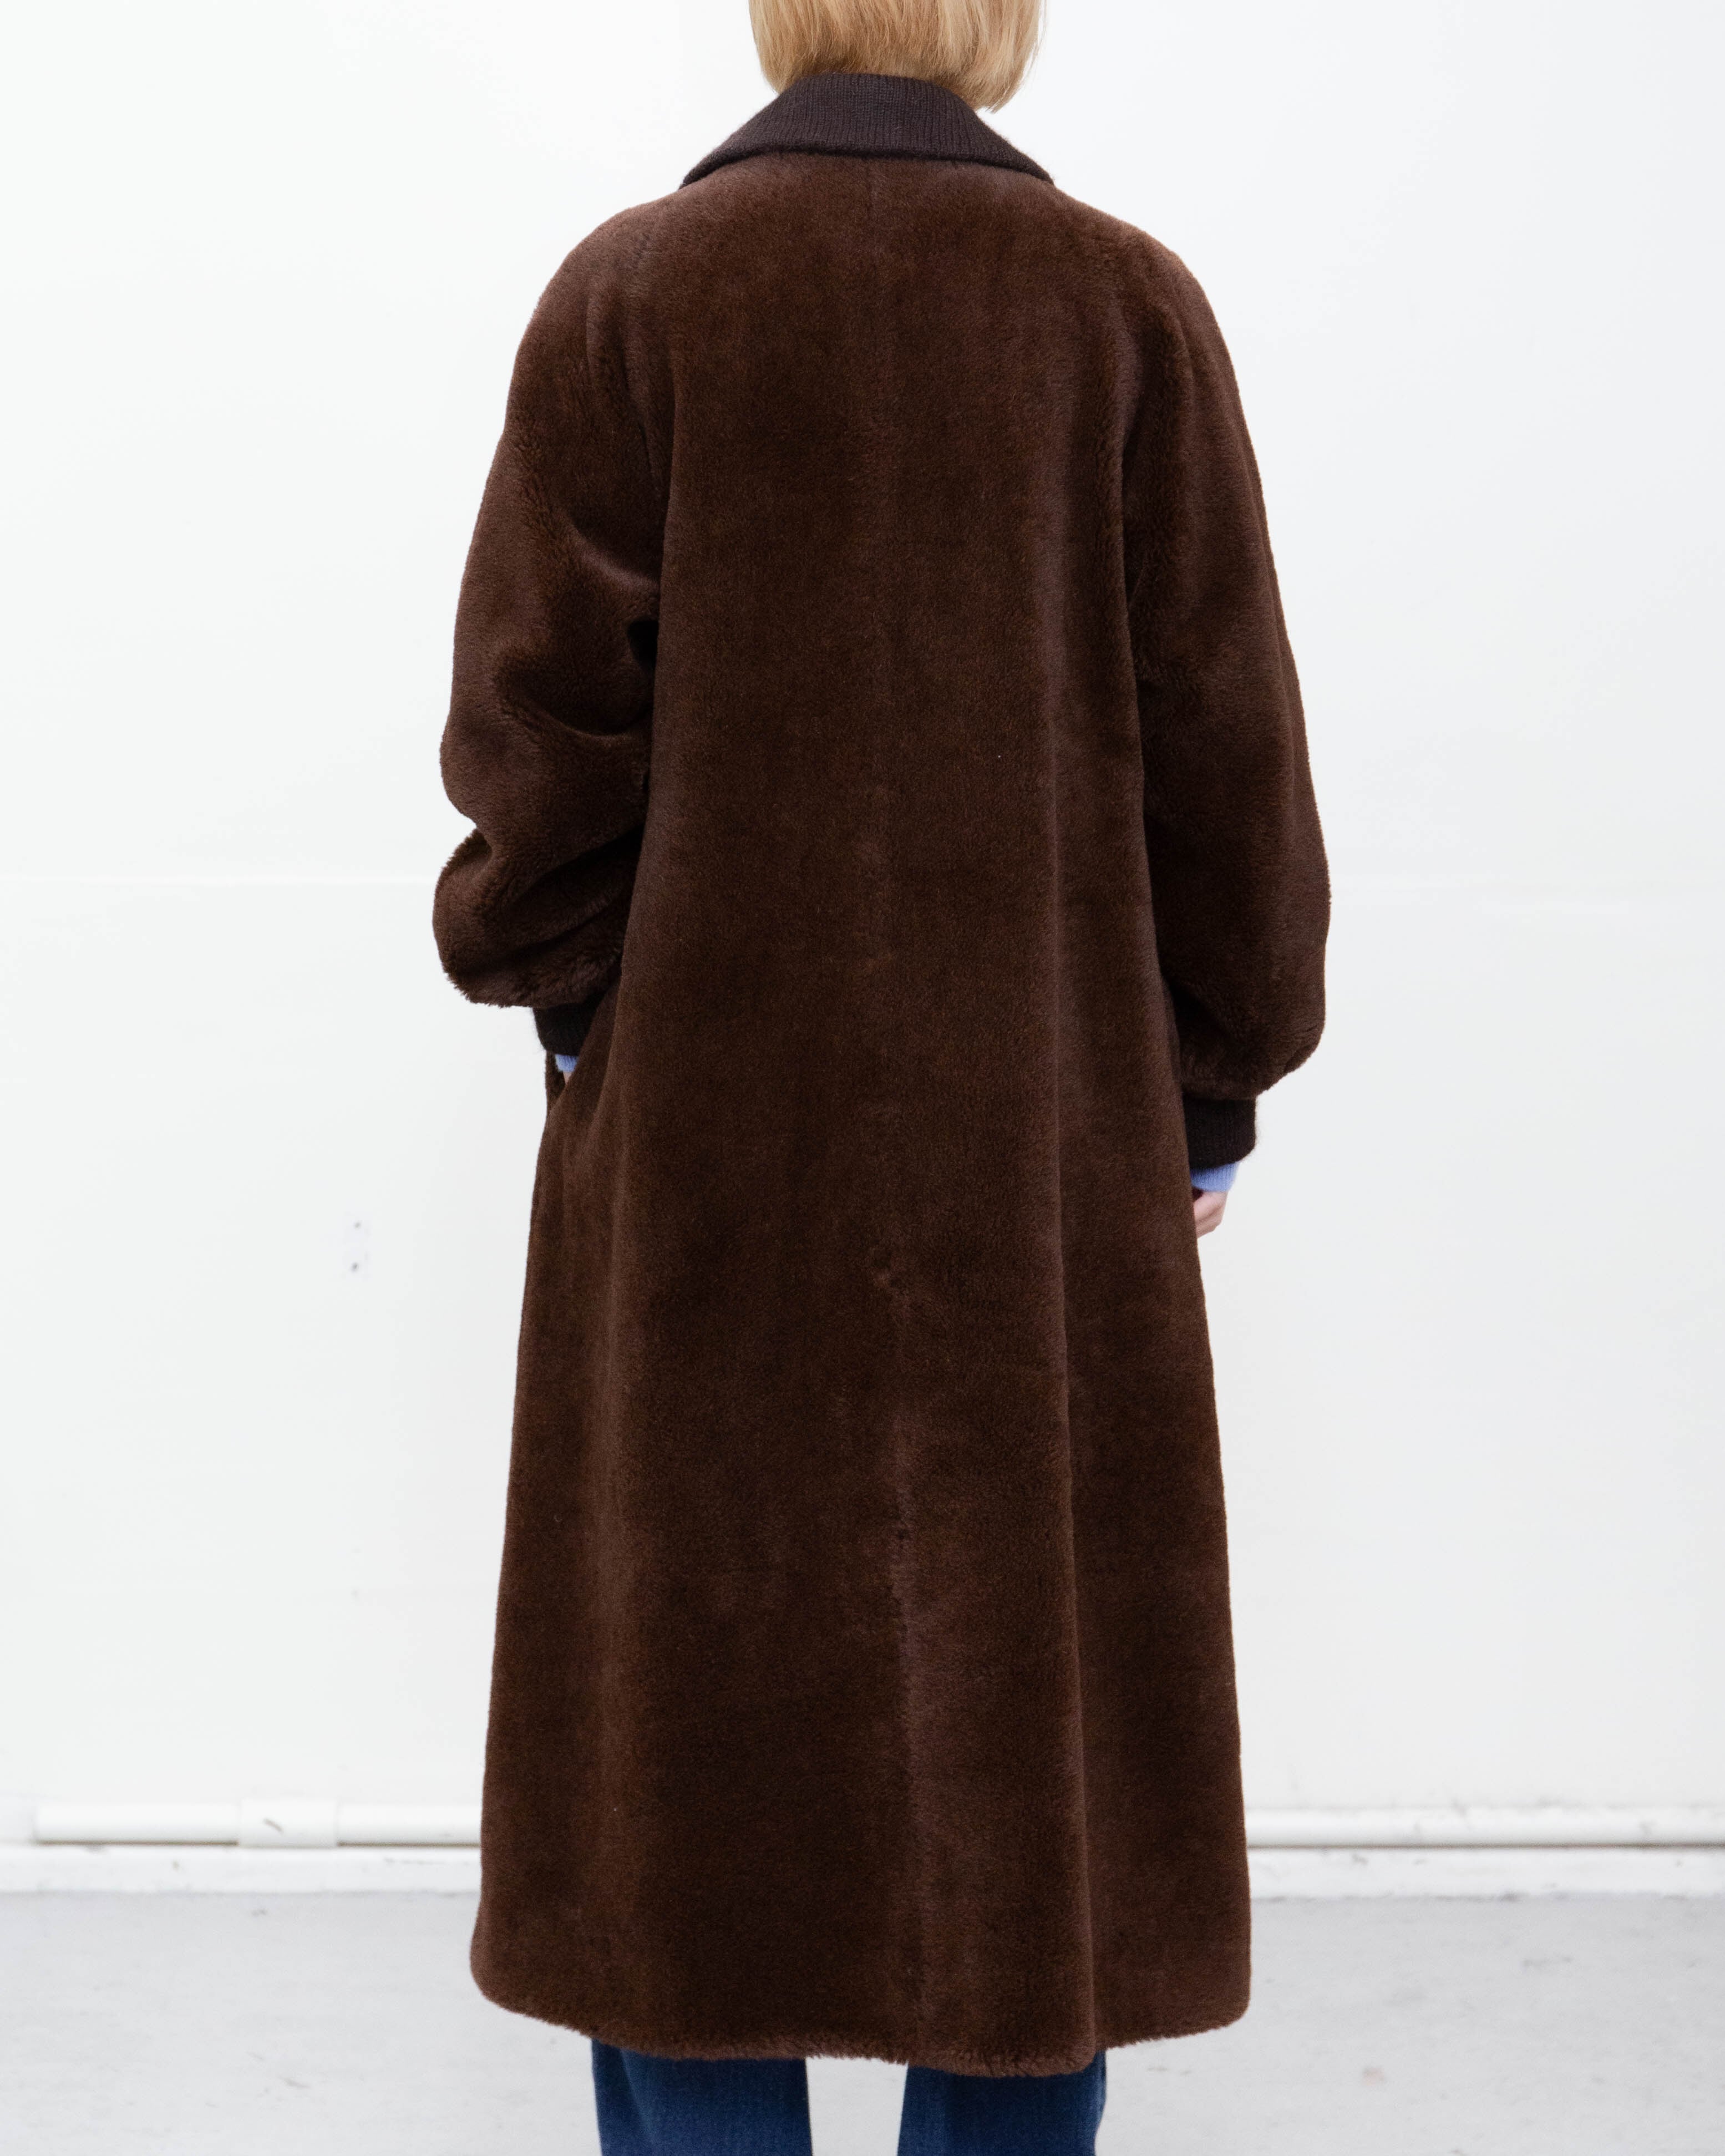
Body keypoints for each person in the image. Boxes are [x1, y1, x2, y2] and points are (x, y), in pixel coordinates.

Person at [433, 0, 1328, 2146]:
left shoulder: (635, 296)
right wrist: (1208, 1084)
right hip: (1045, 1164)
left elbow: (535, 734)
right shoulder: (1125, 313)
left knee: (687, 1773)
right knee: (1025, 1789)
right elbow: (1229, 755)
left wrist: (581, 1013)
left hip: (701, 1168)